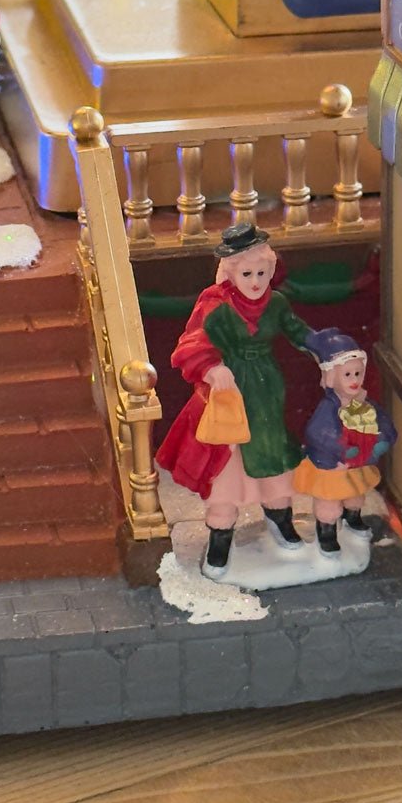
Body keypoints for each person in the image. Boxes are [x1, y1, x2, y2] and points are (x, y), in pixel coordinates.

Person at [155, 224, 314, 576]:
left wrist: (324, 347)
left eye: (261, 273)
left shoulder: (276, 303)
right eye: (247, 274)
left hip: (265, 392)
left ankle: (280, 518)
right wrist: (212, 367)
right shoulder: (215, 304)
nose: (255, 282)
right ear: (231, 273)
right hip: (228, 395)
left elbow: (297, 330)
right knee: (226, 468)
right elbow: (191, 344)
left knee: (272, 459)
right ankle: (220, 536)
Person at [293, 329, 396, 563]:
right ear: (331, 377)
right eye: (347, 374)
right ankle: (327, 532)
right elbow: (318, 433)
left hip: (358, 464)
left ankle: (353, 518)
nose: (353, 380)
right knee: (329, 505)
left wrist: (381, 440)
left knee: (355, 496)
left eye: (358, 373)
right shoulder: (329, 408)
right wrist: (343, 450)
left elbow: (385, 425)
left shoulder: (366, 405)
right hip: (332, 467)